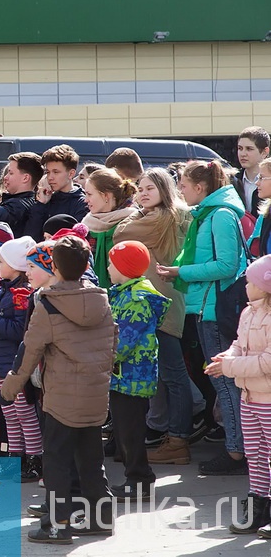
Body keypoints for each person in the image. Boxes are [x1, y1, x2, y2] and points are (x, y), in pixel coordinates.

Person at [0, 236, 117, 544]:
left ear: (54, 267)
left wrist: (9, 389)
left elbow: (30, 351)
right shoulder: (101, 299)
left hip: (63, 396)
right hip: (95, 392)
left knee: (57, 461)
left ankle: (57, 524)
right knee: (92, 459)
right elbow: (112, 344)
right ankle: (101, 518)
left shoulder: (48, 303)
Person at [157, 160, 247, 476]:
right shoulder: (208, 215)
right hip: (205, 308)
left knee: (225, 385)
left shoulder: (220, 216)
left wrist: (181, 271)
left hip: (215, 310)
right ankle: (237, 450)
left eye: (182, 184)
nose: (179, 189)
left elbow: (226, 266)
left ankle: (237, 453)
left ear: (201, 187)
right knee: (223, 384)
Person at [114, 168, 194, 464]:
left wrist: (132, 214)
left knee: (174, 376)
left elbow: (121, 234)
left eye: (150, 188)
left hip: (162, 305)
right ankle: (172, 434)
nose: (143, 193)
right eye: (140, 189)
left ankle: (179, 440)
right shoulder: (149, 216)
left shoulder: (165, 217)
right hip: (152, 304)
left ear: (165, 190)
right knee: (165, 376)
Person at [206, 254, 271, 535]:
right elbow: (238, 344)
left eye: (250, 281)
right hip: (248, 397)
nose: (245, 285)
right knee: (254, 455)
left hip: (267, 399)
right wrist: (228, 356)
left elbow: (267, 361)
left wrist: (229, 366)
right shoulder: (248, 312)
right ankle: (257, 506)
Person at [106, 240, 170, 501]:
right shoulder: (123, 292)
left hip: (131, 377)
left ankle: (139, 480)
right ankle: (136, 476)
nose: (108, 268)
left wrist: (102, 358)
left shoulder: (135, 299)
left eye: (111, 264)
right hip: (122, 377)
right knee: (124, 430)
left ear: (124, 268)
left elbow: (123, 343)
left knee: (130, 431)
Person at [0, 235, 42, 482]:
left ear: (16, 265)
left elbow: (19, 329)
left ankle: (35, 458)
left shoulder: (20, 294)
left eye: (1, 261)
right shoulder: (4, 290)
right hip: (0, 363)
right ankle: (16, 458)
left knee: (24, 414)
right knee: (9, 415)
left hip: (14, 364)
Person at [82, 168, 138, 288]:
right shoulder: (86, 224)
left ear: (105, 196)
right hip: (92, 295)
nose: (86, 200)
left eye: (89, 194)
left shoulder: (133, 223)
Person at [24, 145, 89, 238]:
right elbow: (30, 237)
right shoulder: (46, 199)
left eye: (56, 172)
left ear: (71, 174)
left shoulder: (82, 203)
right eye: (48, 172)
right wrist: (41, 204)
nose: (50, 177)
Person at [0, 153, 43, 238]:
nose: (5, 177)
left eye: (11, 173)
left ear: (25, 178)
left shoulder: (18, 205)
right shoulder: (23, 201)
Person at [232, 126, 271, 219]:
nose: (243, 154)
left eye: (249, 149)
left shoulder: (269, 181)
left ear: (264, 152)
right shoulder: (231, 181)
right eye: (240, 148)